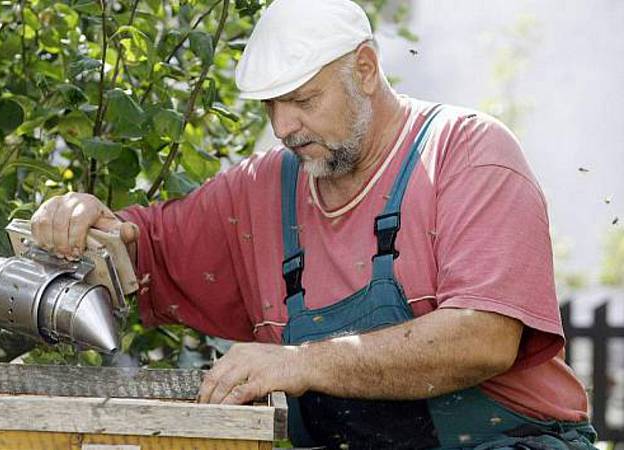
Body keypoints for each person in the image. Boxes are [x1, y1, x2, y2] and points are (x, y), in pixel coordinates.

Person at [31, 0, 597, 448]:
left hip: (506, 443)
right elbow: (142, 249)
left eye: (303, 100)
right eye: (270, 107)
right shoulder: (260, 189)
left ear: (366, 69)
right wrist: (84, 219)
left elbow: (484, 339)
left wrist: (299, 364)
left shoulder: (465, 153)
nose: (284, 127)